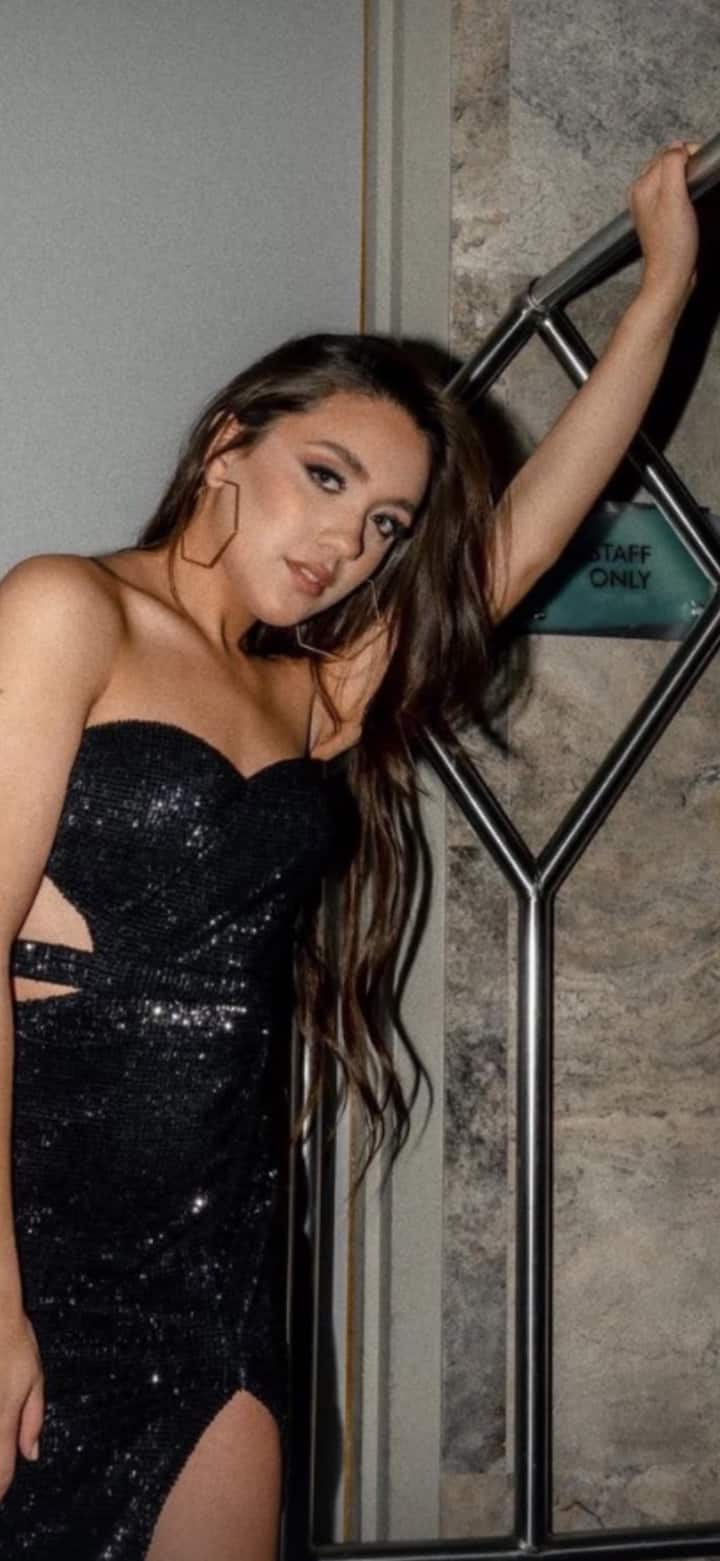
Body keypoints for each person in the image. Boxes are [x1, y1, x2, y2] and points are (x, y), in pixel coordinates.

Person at [0, 143, 701, 1558]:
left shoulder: (307, 693)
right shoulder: (67, 610)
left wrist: (664, 292)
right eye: (324, 478)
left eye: (382, 524)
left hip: (218, 1258)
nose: (348, 543)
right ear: (227, 446)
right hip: (34, 1239)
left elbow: (514, 549)